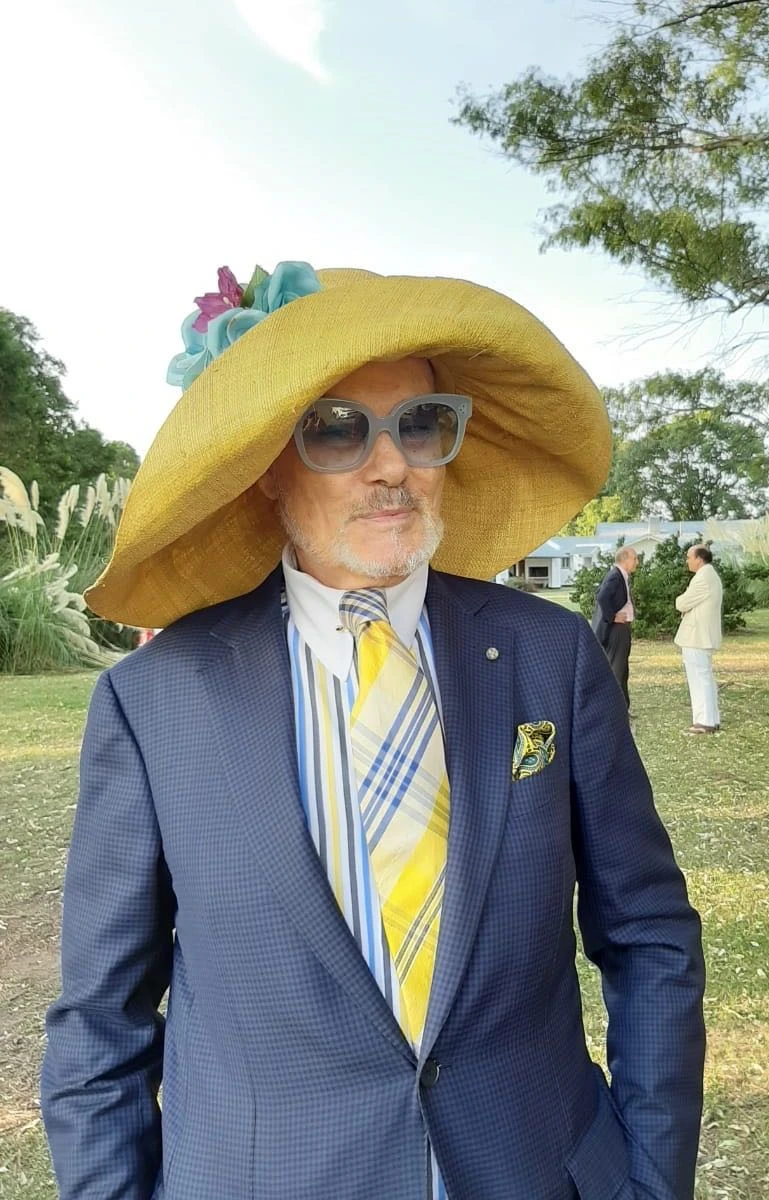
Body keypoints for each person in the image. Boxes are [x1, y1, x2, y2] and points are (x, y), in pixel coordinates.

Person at [41, 262, 705, 1200]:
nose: (391, 464)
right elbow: (100, 1020)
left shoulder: (549, 655)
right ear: (265, 468)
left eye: (419, 424)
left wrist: (651, 1178)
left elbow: (649, 934)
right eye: (336, 428)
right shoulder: (154, 703)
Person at [675, 544, 724, 734]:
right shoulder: (709, 575)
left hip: (697, 636)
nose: (687, 560)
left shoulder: (703, 577)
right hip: (700, 636)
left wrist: (682, 602)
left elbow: (682, 603)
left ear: (699, 559)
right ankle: (710, 718)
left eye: (689, 557)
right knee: (704, 677)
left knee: (699, 678)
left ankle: (705, 720)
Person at [590, 546, 638, 708]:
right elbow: (602, 597)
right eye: (634, 558)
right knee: (617, 670)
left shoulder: (620, 575)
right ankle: (612, 708)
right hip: (617, 630)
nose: (637, 562)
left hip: (621, 629)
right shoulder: (616, 576)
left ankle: (623, 707)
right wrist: (612, 616)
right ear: (625, 559)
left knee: (622, 670)